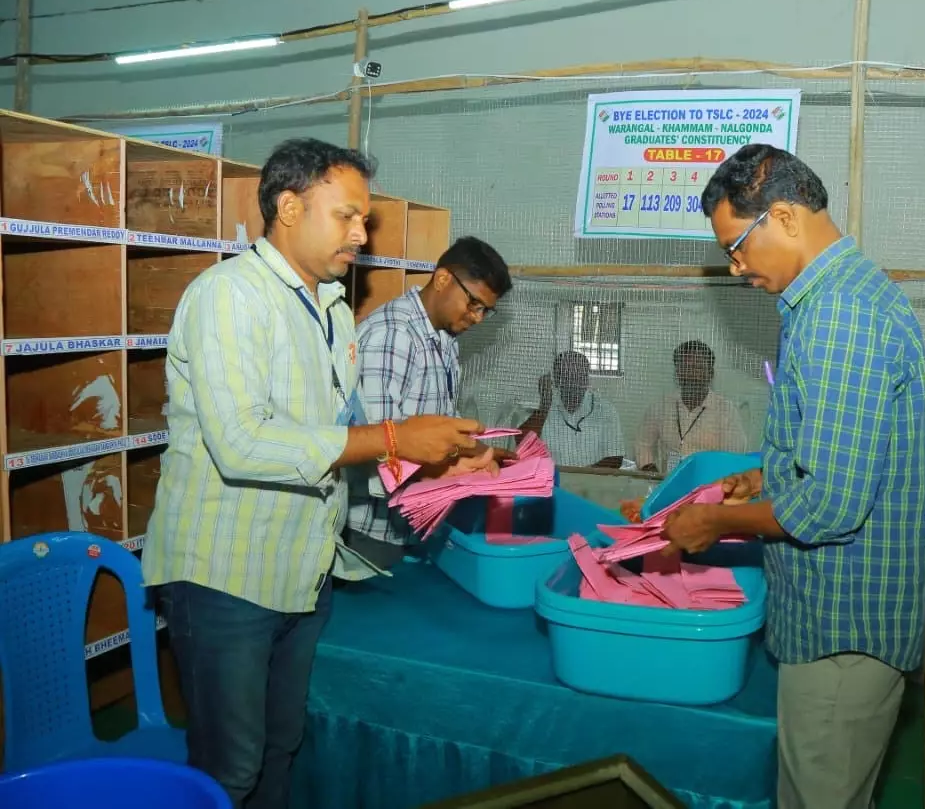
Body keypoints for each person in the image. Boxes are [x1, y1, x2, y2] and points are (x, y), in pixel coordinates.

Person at [140, 138, 490, 809]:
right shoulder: (229, 298)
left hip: (299, 570)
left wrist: (439, 452)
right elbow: (241, 444)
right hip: (224, 575)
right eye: (348, 216)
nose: (362, 233)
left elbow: (340, 424)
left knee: (280, 747)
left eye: (365, 219)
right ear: (290, 207)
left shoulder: (329, 306)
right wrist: (393, 436)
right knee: (229, 767)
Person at [658, 144, 925, 809]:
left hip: (843, 623)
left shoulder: (838, 313)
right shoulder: (841, 296)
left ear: (782, 215)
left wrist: (716, 520)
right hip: (843, 618)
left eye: (738, 245)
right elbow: (845, 449)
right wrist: (767, 473)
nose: (736, 265)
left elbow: (831, 504)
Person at [345, 236, 513, 570]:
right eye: (474, 304)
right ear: (442, 279)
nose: (478, 317)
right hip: (372, 533)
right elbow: (377, 446)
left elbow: (436, 430)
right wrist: (451, 467)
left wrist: (471, 455)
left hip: (412, 525)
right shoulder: (394, 336)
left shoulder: (444, 339)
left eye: (486, 311)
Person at [634, 339, 750, 474]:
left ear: (710, 374)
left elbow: (734, 457)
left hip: (708, 487)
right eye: (685, 368)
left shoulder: (726, 411)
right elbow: (642, 444)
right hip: (668, 484)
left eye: (698, 368)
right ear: (677, 373)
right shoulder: (661, 406)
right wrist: (652, 474)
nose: (691, 374)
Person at [520, 350, 624, 468]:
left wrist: (580, 478)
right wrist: (544, 406)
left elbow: (615, 458)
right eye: (567, 376)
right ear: (557, 380)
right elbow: (522, 447)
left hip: (593, 481)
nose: (573, 382)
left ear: (586, 380)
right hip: (552, 481)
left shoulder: (605, 410)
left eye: (579, 376)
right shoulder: (544, 409)